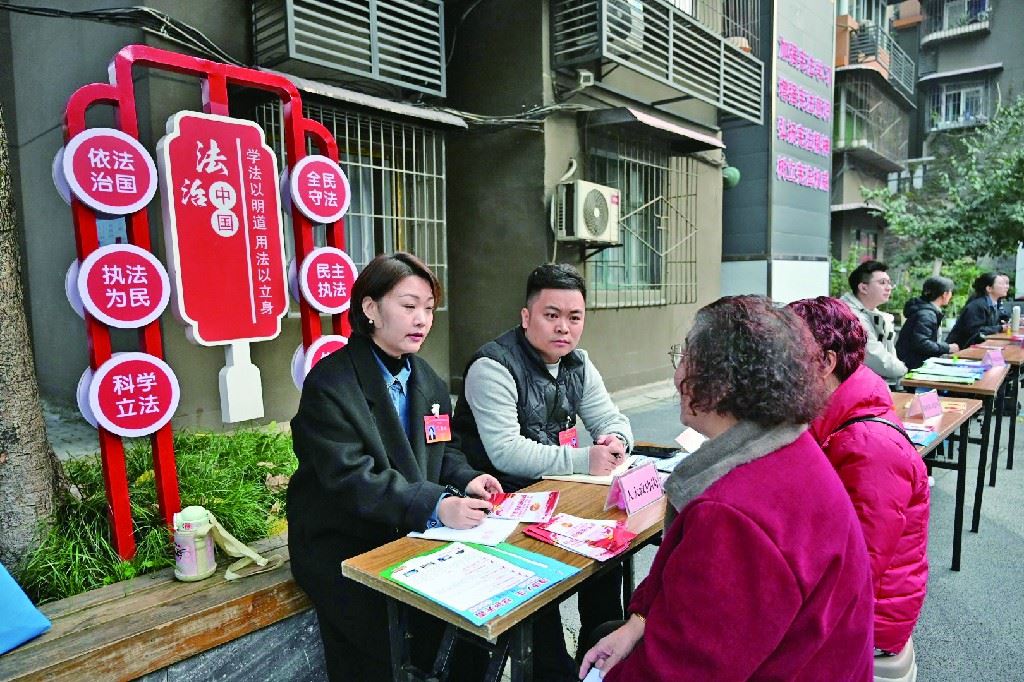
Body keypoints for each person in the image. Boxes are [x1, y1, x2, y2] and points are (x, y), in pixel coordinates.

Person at [579, 296, 874, 681]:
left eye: (685, 357)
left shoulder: (733, 516)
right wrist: (639, 622)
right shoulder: (790, 446)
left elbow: (679, 672)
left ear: (718, 383)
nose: (677, 374)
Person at [288, 252, 502, 681]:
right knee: (379, 653)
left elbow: (444, 451)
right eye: (408, 306)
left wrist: (468, 479)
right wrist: (438, 504)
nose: (421, 318)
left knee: (473, 626)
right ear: (370, 309)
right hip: (344, 541)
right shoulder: (331, 384)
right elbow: (351, 479)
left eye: (428, 308)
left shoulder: (427, 380)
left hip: (411, 528)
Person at [452, 262, 633, 678]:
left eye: (574, 318)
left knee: (609, 559)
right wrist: (583, 459)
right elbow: (505, 452)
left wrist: (616, 442)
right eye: (552, 315)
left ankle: (598, 659)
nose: (563, 329)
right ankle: (553, 670)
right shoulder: (491, 367)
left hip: (555, 497)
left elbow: (610, 417)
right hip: (499, 505)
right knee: (543, 597)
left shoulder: (579, 363)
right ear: (526, 317)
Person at [790, 296, 929, 665]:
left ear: (825, 363)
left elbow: (854, 568)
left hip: (868, 620)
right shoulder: (840, 413)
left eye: (784, 357)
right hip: (857, 603)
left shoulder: (868, 446)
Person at [841, 260, 907, 383]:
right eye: (882, 283)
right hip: (853, 387)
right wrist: (904, 370)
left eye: (889, 283)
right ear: (863, 288)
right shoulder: (849, 315)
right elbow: (874, 356)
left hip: (872, 384)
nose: (888, 288)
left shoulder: (874, 314)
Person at [896, 276, 959, 370]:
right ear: (945, 294)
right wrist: (947, 348)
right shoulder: (926, 314)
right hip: (915, 366)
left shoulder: (925, 310)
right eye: (950, 292)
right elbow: (921, 343)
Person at [946, 271, 1011, 349]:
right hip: (960, 350)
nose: (1006, 286)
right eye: (1001, 284)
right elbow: (975, 331)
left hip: (978, 346)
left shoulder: (993, 304)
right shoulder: (977, 306)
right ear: (989, 289)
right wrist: (1001, 328)